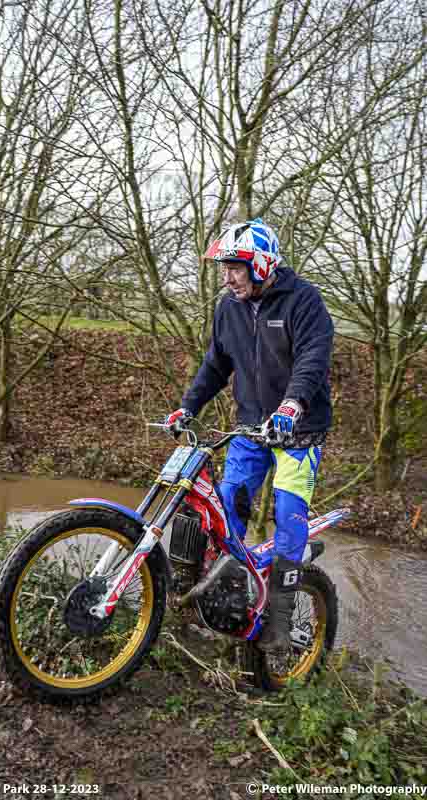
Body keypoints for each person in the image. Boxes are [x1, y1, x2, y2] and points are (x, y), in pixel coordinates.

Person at [166, 218, 334, 652]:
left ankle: (280, 617)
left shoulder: (304, 301)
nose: (227, 277)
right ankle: (227, 592)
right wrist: (188, 405)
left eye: (235, 267)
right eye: (223, 268)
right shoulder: (228, 309)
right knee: (226, 504)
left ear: (260, 265)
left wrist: (293, 404)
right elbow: (215, 365)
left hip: (299, 429)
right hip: (251, 426)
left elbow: (312, 360)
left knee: (288, 512)